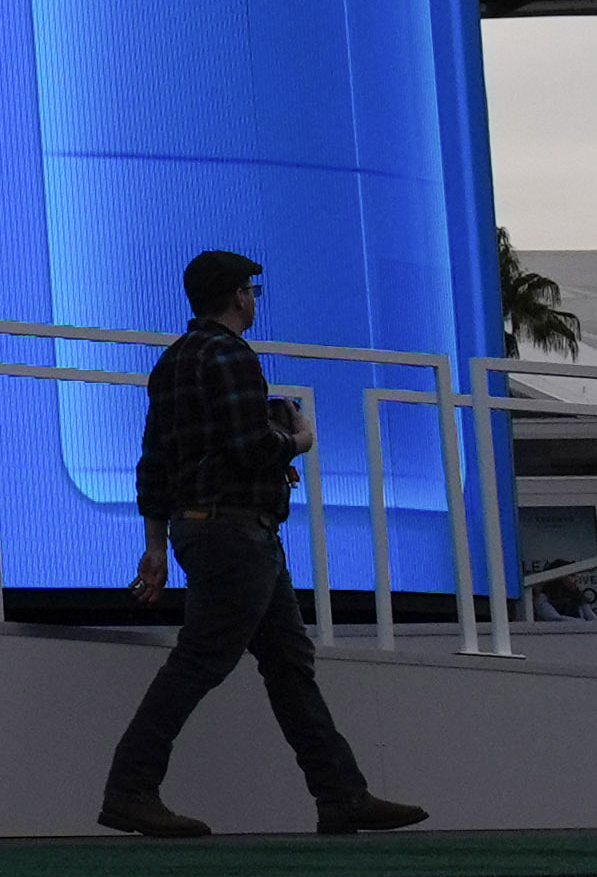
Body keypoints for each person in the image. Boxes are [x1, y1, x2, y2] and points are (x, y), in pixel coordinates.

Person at [97, 249, 426, 841]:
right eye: (251, 289)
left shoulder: (170, 362)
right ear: (235, 297)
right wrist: (297, 438)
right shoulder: (234, 357)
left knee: (287, 663)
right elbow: (251, 448)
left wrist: (154, 544)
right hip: (237, 532)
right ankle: (130, 790)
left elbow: (155, 461)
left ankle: (341, 794)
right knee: (202, 661)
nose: (254, 299)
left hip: (203, 527)